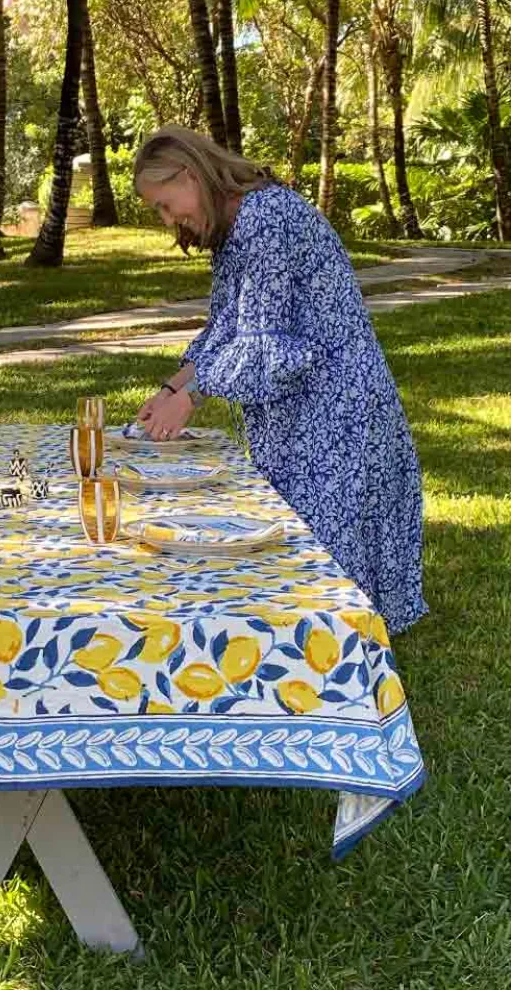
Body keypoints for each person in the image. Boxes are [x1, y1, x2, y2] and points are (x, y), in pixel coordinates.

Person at [133, 125, 426, 635]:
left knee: (326, 596)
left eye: (165, 203)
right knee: (297, 576)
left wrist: (193, 397)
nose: (168, 219)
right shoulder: (235, 224)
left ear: (190, 174)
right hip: (303, 408)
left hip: (337, 409)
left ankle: (338, 678)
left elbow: (269, 346)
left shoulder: (264, 219)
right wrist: (170, 388)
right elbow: (228, 328)